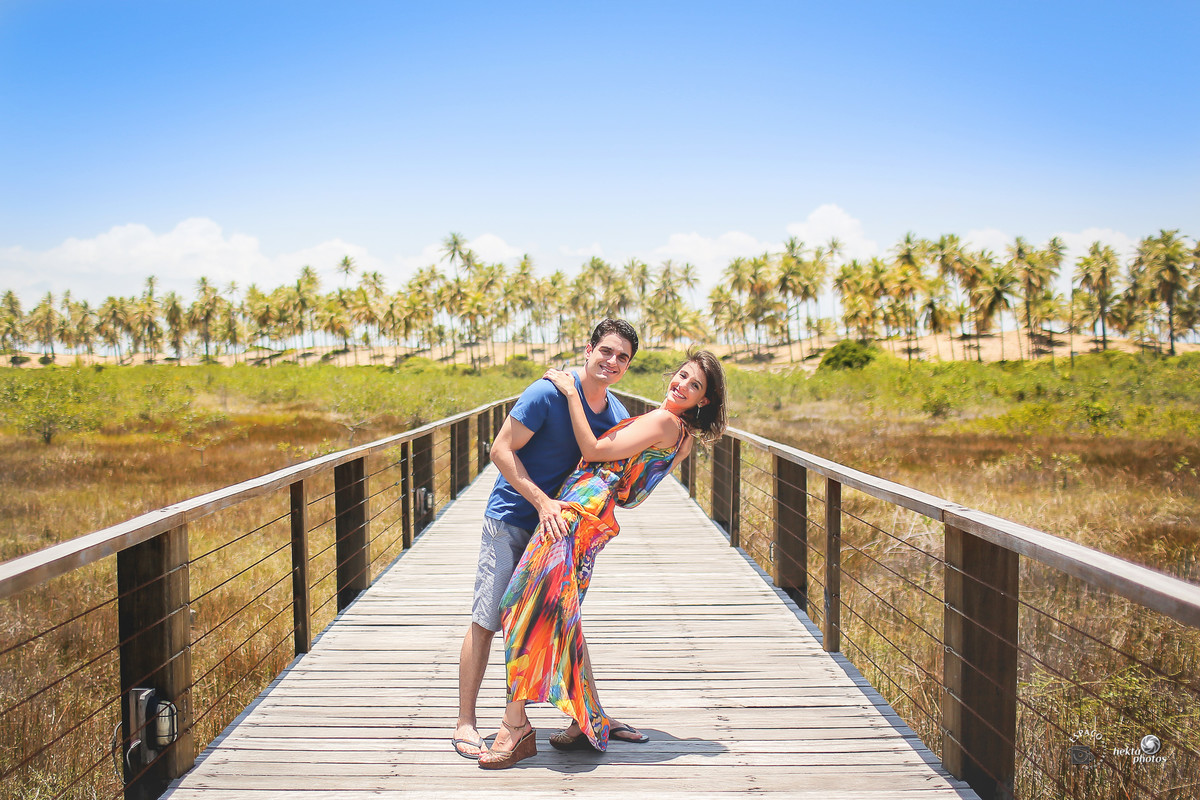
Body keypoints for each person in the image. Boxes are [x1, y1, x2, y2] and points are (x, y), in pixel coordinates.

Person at [478, 350, 727, 769]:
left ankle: (515, 724)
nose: (681, 384)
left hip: (575, 514)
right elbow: (633, 493)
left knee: (522, 609)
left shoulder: (664, 421)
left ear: (703, 400)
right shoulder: (682, 438)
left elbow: (593, 449)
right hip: (595, 517)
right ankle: (584, 718)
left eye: (694, 385)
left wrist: (572, 393)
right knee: (560, 615)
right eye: (682, 375)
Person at [451, 319, 641, 759]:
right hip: (514, 518)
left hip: (557, 536)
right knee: (488, 618)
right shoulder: (546, 393)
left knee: (566, 617)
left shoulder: (614, 415)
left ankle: (590, 715)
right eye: (606, 351)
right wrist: (541, 502)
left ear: (628, 367)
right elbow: (500, 449)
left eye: (622, 358)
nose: (611, 362)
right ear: (589, 348)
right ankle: (466, 721)